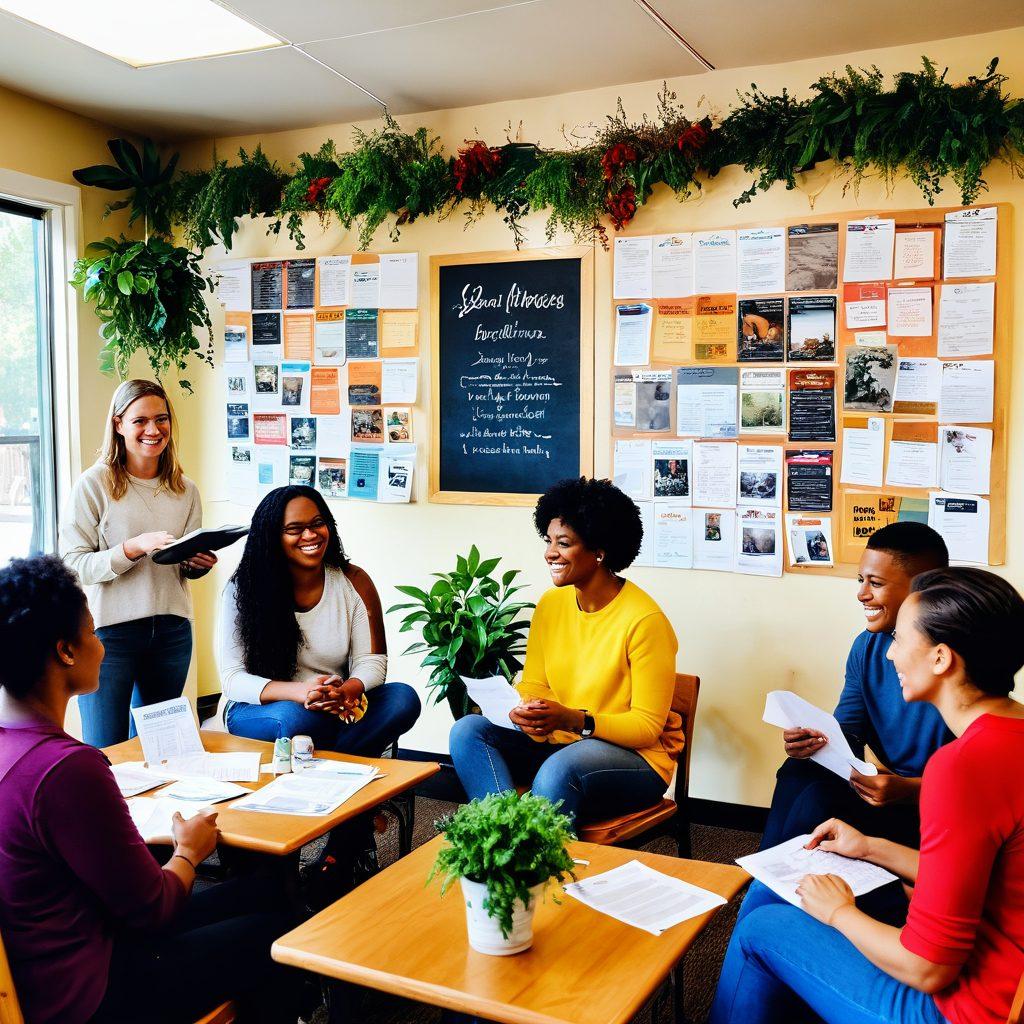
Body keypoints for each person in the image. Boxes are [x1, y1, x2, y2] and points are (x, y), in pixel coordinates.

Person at [709, 566, 1024, 1024]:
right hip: (1004, 969)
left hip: (962, 1008)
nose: (891, 653)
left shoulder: (962, 767)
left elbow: (926, 969)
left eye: (900, 639)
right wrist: (870, 848)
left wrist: (839, 912)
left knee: (760, 927)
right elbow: (981, 877)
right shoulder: (1012, 734)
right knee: (768, 891)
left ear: (940, 658)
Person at [0, 555, 294, 1024]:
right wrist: (189, 851)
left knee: (262, 892)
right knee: (277, 933)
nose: (101, 647)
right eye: (93, 632)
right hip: (89, 993)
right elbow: (155, 909)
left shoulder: (17, 750)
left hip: (42, 968)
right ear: (66, 651)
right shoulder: (67, 769)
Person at [449, 477, 681, 827]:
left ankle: (537, 855)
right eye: (549, 540)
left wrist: (575, 719)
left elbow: (646, 728)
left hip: (636, 759)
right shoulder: (551, 603)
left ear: (600, 551)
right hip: (562, 741)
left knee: (559, 770)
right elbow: (535, 683)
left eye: (564, 543)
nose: (550, 553)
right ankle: (506, 834)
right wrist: (526, 709)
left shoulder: (645, 621)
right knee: (468, 731)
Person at [760, 522, 952, 853]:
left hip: (944, 809)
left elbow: (980, 784)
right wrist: (815, 743)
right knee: (801, 769)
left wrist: (911, 790)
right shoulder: (868, 646)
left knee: (816, 800)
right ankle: (767, 871)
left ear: (925, 588)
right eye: (860, 580)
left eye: (875, 583)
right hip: (891, 792)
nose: (861, 594)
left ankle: (773, 875)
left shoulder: (958, 656)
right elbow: (848, 732)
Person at [60, 379, 216, 747]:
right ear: (118, 424)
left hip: (172, 630)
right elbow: (73, 565)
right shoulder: (93, 485)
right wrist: (130, 549)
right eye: (140, 421)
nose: (153, 430)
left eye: (161, 419)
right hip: (109, 634)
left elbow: (180, 563)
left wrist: (197, 564)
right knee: (107, 747)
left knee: (159, 751)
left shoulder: (185, 489)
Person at [219, 484, 420, 756]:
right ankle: (349, 757)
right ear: (272, 537)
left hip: (335, 706)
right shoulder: (242, 588)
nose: (310, 535)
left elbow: (371, 662)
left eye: (317, 523)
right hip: (261, 707)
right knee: (297, 719)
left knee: (402, 699)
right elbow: (233, 679)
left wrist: (347, 690)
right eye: (295, 529)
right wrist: (302, 692)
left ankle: (331, 759)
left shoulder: (354, 581)